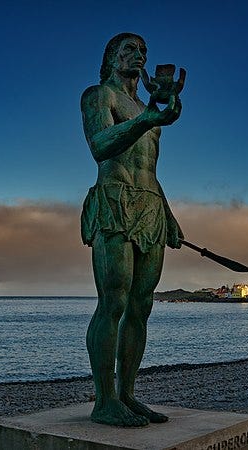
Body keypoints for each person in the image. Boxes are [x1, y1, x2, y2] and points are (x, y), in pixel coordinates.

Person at [79, 32, 184, 427]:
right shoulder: (98, 95)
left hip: (150, 204)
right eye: (128, 49)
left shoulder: (145, 106)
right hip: (115, 201)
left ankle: (127, 395)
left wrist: (168, 213)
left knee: (142, 305)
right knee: (114, 301)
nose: (137, 55)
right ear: (110, 57)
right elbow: (100, 146)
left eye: (142, 50)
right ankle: (104, 400)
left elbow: (150, 168)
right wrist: (147, 119)